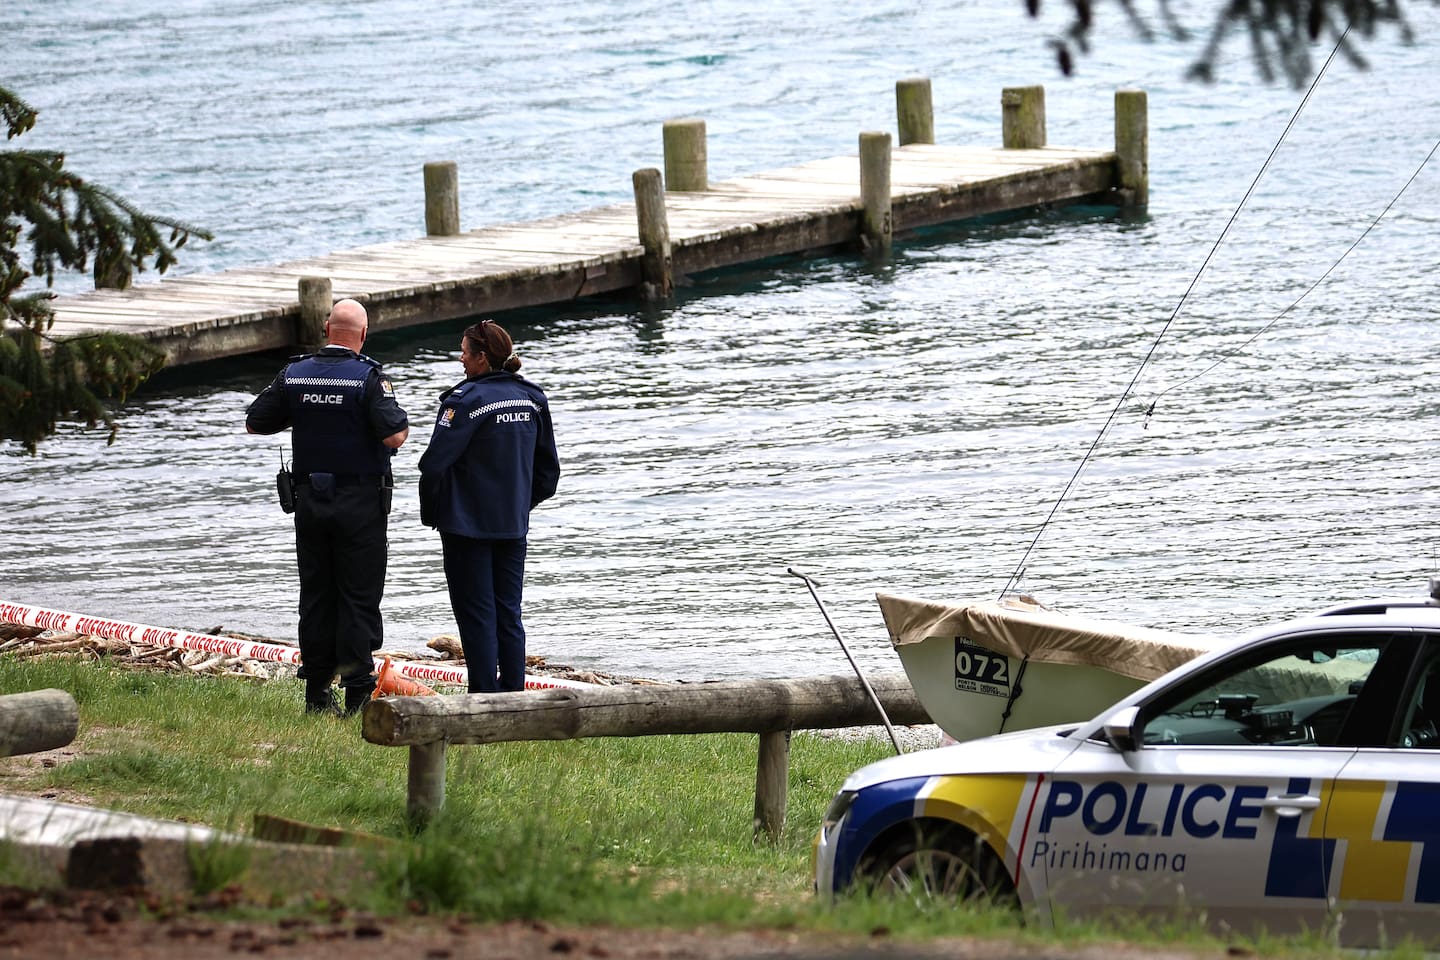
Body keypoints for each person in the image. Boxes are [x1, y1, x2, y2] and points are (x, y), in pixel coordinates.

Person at [245, 298, 409, 716]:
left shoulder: (295, 374)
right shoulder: (369, 378)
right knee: (357, 597)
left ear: (325, 328)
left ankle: (317, 693)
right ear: (364, 335)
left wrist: (306, 412)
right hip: (360, 506)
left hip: (311, 506)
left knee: (317, 596)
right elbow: (396, 437)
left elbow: (256, 422)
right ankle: (357, 691)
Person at [418, 319, 559, 693]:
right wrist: (518, 505)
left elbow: (432, 465)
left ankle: (482, 697)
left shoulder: (464, 402)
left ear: (482, 358)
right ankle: (513, 692)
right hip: (512, 525)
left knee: (476, 614)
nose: (461, 359)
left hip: (466, 528)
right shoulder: (532, 398)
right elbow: (548, 473)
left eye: (465, 352)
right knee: (508, 613)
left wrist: (435, 514)